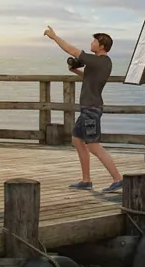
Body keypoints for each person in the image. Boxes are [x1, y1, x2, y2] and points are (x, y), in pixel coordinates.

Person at [44, 25, 124, 193]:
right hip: (88, 108)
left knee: (94, 146)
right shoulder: (101, 63)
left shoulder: (100, 60)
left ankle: (118, 179)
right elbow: (89, 78)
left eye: (95, 41)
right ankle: (86, 179)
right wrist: (75, 70)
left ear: (102, 46)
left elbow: (71, 50)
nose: (92, 42)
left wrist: (54, 37)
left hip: (91, 110)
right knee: (77, 140)